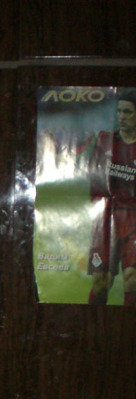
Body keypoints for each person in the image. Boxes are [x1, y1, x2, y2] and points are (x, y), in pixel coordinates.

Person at [85, 89, 136, 305]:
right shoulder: (106, 141)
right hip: (107, 217)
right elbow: (94, 179)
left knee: (132, 280)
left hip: (134, 219)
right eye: (119, 111)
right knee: (100, 283)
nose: (122, 117)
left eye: (128, 112)